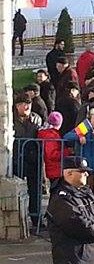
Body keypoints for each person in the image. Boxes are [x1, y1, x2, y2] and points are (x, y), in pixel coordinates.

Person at [13, 93, 43, 225]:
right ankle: (17, 218)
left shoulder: (36, 119)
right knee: (15, 190)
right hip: (16, 158)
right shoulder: (11, 119)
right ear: (16, 106)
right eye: (22, 104)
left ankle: (36, 219)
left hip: (33, 158)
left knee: (35, 190)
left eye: (28, 104)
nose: (26, 107)